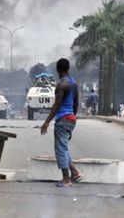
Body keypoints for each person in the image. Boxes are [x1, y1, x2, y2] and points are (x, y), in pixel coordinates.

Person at [41, 58, 81, 187]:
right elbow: (76, 102)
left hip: (62, 119)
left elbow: (57, 104)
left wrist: (47, 122)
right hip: (70, 119)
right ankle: (74, 173)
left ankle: (66, 179)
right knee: (63, 148)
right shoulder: (74, 83)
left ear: (58, 69)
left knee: (60, 150)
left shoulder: (62, 85)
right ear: (68, 68)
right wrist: (73, 118)